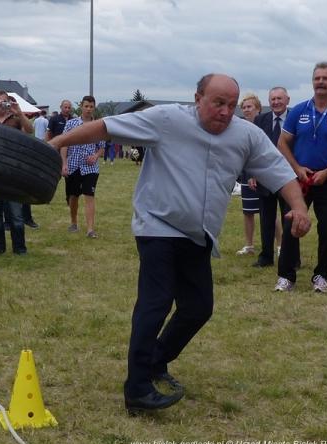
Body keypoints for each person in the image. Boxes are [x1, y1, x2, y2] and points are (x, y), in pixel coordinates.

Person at [48, 73, 311, 414]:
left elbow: (278, 171)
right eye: (218, 103)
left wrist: (300, 208)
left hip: (198, 234)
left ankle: (156, 360)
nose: (225, 112)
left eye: (232, 105)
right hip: (157, 224)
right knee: (156, 301)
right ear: (198, 97)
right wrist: (57, 144)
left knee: (198, 307)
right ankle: (137, 389)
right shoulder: (168, 119)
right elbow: (106, 128)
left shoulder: (246, 135)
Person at [275, 61, 327, 293]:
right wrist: (297, 167)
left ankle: (321, 276)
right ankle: (286, 276)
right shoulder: (299, 110)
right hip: (299, 179)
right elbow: (282, 143)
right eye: (317, 78)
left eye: (325, 78)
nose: (320, 82)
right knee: (292, 223)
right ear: (312, 82)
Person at [0, 90, 33, 255]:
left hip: (12, 172)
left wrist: (19, 112)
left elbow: (30, 130)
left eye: (4, 100)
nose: (1, 103)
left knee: (16, 213)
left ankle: (20, 249)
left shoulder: (16, 119)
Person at [252, 87, 289, 267]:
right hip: (265, 177)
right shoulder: (260, 120)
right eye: (272, 99)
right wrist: (252, 173)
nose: (276, 102)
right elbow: (253, 148)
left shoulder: (294, 119)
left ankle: (291, 257)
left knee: (288, 219)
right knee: (266, 219)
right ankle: (266, 257)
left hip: (288, 178)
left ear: (287, 100)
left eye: (279, 98)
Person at [60, 95, 104, 238]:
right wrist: (64, 163)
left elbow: (102, 147)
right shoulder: (71, 124)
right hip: (73, 165)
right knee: (73, 196)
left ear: (94, 108)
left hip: (90, 167)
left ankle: (90, 229)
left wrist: (95, 156)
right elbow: (64, 144)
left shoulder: (99, 126)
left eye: (91, 107)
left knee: (89, 195)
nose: (89, 109)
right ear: (81, 107)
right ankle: (74, 222)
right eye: (86, 106)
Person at [236, 93, 261, 256]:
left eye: (249, 106)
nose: (246, 110)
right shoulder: (240, 126)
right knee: (248, 212)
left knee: (268, 212)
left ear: (258, 108)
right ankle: (249, 245)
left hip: (263, 174)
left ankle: (280, 246)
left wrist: (257, 174)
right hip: (246, 174)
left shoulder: (264, 125)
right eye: (244, 107)